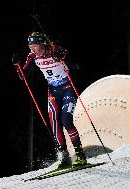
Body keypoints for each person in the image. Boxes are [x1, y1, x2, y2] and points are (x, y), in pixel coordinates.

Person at [13, 31, 87, 169]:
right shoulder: (32, 56)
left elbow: (75, 66)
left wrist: (63, 57)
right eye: (30, 47)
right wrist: (17, 65)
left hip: (68, 88)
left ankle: (80, 154)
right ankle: (64, 157)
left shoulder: (54, 50)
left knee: (66, 120)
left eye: (34, 46)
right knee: (54, 122)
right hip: (53, 91)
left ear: (42, 44)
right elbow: (23, 76)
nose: (32, 50)